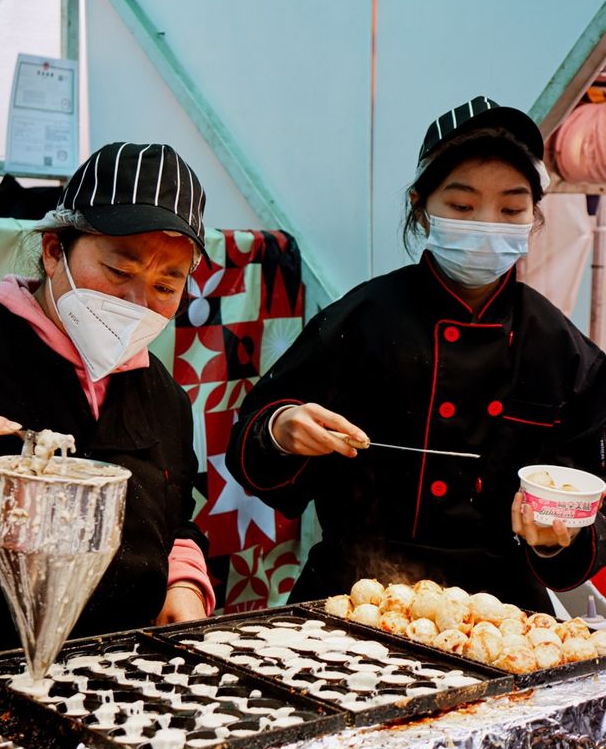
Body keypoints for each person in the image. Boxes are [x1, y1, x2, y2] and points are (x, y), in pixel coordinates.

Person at [226, 96, 606, 613]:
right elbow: (252, 452)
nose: (487, 225)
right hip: (353, 596)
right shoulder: (360, 320)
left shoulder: (558, 347)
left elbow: (590, 509)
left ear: (533, 217)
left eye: (512, 209)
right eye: (463, 206)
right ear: (420, 205)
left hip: (499, 610)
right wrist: (282, 429)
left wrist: (556, 538)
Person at [0, 141, 215, 655]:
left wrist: (182, 582)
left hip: (114, 691)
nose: (136, 303)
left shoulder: (165, 398)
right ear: (55, 249)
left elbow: (174, 516)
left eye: (166, 286)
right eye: (119, 272)